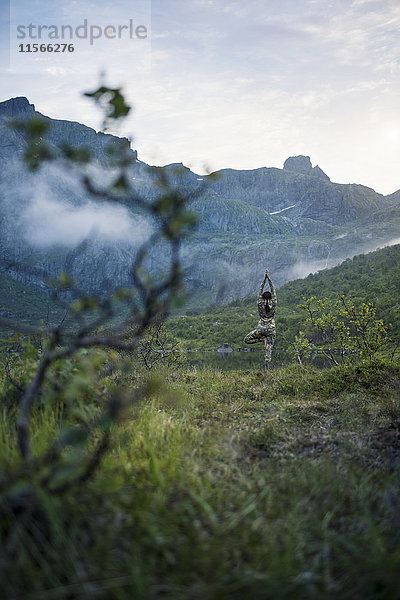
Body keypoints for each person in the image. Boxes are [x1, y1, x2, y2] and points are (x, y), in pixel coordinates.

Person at [244, 268, 277, 371]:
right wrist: (269, 279)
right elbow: (273, 290)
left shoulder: (260, 303)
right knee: (268, 352)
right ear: (271, 298)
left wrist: (264, 280)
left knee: (247, 339)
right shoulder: (274, 303)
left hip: (261, 329)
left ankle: (262, 339)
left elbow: (259, 290)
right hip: (271, 329)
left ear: (262, 298)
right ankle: (267, 370)